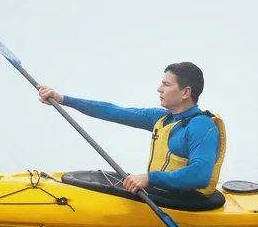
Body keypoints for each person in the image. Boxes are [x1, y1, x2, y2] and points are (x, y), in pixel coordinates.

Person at [37, 62, 226, 199]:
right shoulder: (161, 118)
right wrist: (62, 99)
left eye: (166, 85)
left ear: (186, 92)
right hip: (162, 194)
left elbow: (200, 176)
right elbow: (113, 111)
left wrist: (149, 178)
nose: (159, 89)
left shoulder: (202, 126)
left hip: (187, 203)